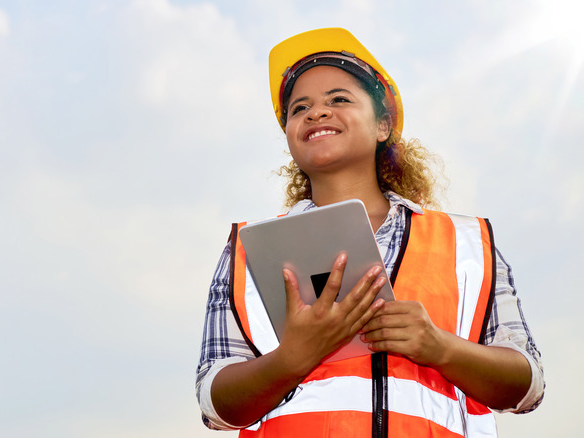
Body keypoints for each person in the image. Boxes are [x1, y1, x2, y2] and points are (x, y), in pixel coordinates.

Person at [195, 28, 544, 437]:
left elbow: (527, 388)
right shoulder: (247, 249)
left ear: (382, 126)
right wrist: (290, 359)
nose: (316, 112)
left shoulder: (467, 242)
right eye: (299, 108)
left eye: (338, 99)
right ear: (289, 136)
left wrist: (440, 347)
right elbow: (215, 405)